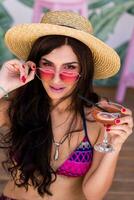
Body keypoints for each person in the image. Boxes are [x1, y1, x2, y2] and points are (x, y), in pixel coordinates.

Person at [0, 10, 133, 200]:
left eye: (69, 68)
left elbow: (94, 195)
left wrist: (115, 146)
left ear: (83, 71)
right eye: (47, 65)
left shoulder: (97, 119)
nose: (56, 79)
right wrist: (3, 86)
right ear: (35, 66)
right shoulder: (18, 108)